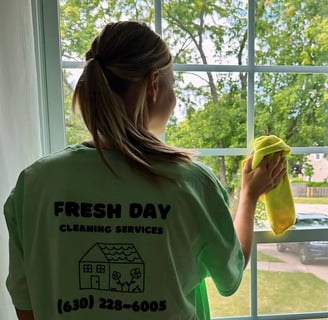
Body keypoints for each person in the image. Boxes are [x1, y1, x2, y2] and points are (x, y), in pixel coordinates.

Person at [4, 21, 286, 320]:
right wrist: (250, 195)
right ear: (154, 84)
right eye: (172, 84)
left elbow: (26, 305)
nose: (174, 98)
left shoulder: (34, 183)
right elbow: (230, 276)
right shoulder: (189, 182)